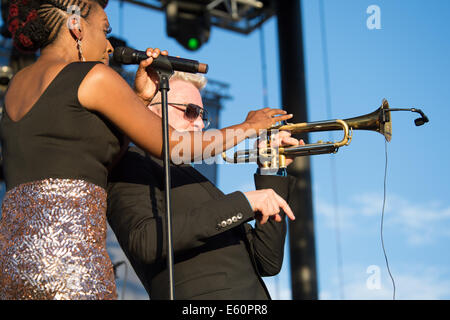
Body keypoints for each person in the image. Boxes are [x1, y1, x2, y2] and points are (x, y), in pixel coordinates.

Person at [0, 0, 292, 300]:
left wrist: (138, 98)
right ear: (76, 26)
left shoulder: (16, 89)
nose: (110, 47)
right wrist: (248, 127)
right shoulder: (94, 76)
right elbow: (176, 147)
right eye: (105, 30)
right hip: (71, 258)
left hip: (18, 257)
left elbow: (89, 146)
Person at [107, 71, 302, 299]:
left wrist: (270, 168)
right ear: (152, 111)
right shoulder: (131, 161)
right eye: (190, 112)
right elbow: (144, 241)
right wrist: (244, 202)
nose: (200, 123)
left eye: (202, 115)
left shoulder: (194, 178)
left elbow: (268, 260)